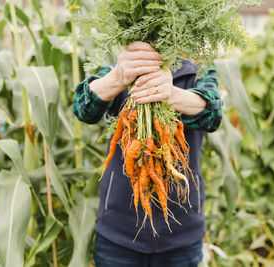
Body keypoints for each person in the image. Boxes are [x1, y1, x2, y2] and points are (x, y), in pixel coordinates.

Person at [73, 41, 223, 267]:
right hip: (119, 234)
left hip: (181, 234)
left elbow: (213, 113)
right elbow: (82, 108)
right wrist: (117, 78)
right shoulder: (122, 70)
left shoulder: (196, 71)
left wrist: (170, 95)